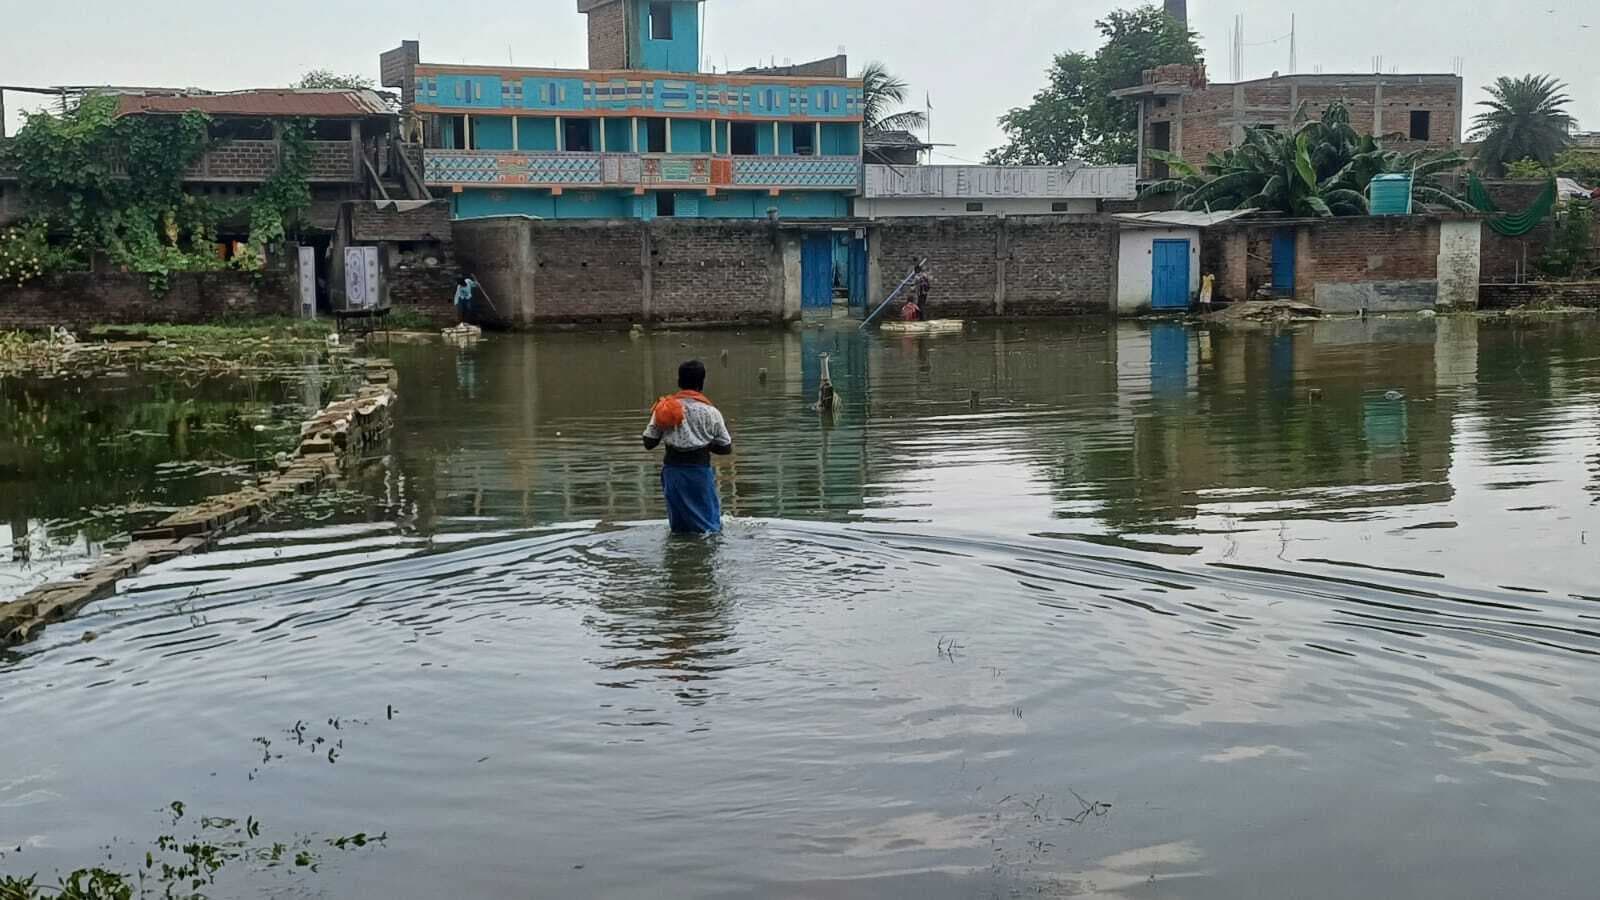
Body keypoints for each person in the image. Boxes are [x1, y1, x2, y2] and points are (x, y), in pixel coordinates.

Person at [643, 361, 734, 535]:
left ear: (679, 382)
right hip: (700, 473)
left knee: (679, 528)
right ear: (701, 383)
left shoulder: (665, 409)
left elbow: (649, 443)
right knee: (708, 526)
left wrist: (666, 428)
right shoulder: (711, 412)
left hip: (673, 473)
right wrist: (705, 443)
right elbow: (726, 447)